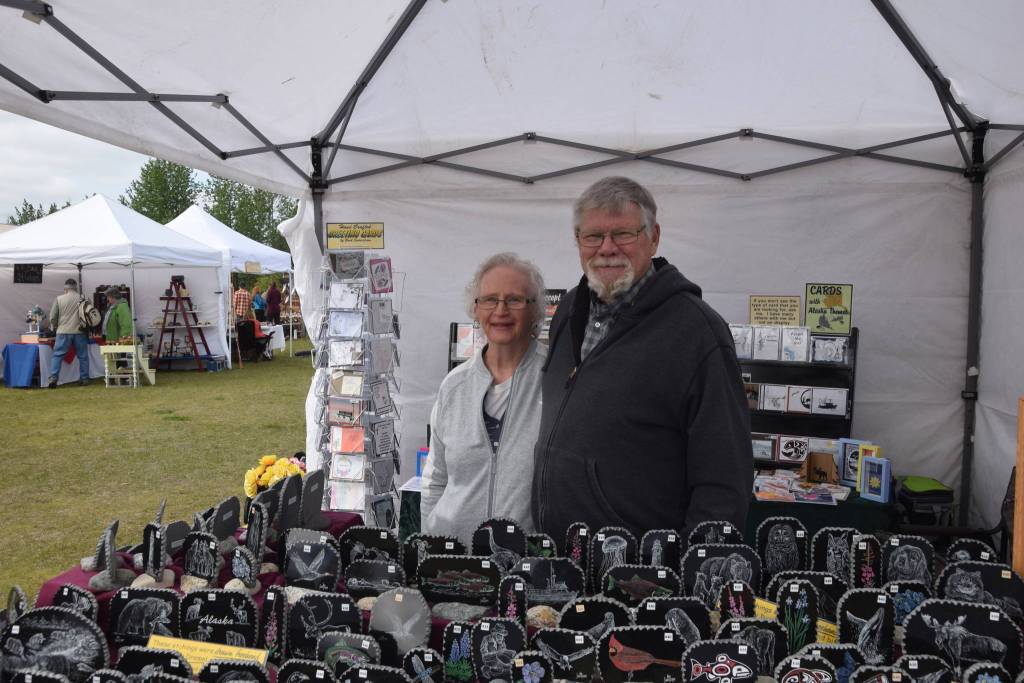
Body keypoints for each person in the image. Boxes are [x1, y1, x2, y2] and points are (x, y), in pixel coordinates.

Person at [531, 176, 753, 543]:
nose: (606, 248)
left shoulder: (698, 333)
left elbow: (724, 477)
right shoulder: (570, 309)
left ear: (654, 237)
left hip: (639, 573)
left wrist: (692, 572)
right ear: (577, 241)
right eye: (593, 236)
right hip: (560, 557)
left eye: (623, 234)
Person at [421, 253, 547, 545]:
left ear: (535, 311)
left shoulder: (555, 380)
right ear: (475, 309)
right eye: (490, 299)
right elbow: (435, 480)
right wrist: (433, 542)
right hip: (454, 558)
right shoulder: (454, 386)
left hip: (526, 563)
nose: (500, 310)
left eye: (514, 299)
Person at [47, 278, 91, 388]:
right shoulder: (83, 298)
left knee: (58, 355)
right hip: (79, 331)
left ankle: (53, 378)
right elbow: (89, 315)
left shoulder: (59, 299)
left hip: (63, 331)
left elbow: (52, 317)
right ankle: (84, 379)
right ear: (75, 288)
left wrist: (56, 326)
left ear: (65, 289)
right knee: (83, 356)